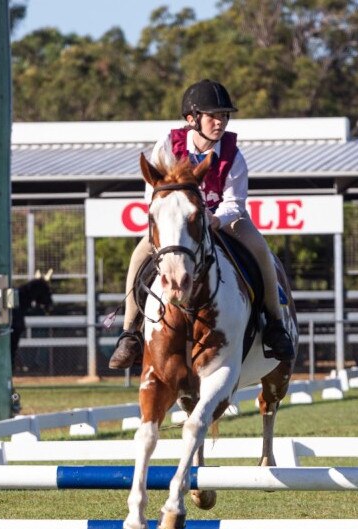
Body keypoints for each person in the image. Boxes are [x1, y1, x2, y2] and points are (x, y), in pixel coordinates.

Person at [109, 79, 295, 369]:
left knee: (260, 248)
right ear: (191, 119)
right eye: (213, 116)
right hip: (177, 225)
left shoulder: (233, 154)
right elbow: (155, 191)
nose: (220, 122)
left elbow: (235, 202)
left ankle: (274, 324)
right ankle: (130, 333)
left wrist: (215, 219)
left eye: (224, 116)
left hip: (223, 220)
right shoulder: (169, 145)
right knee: (138, 255)